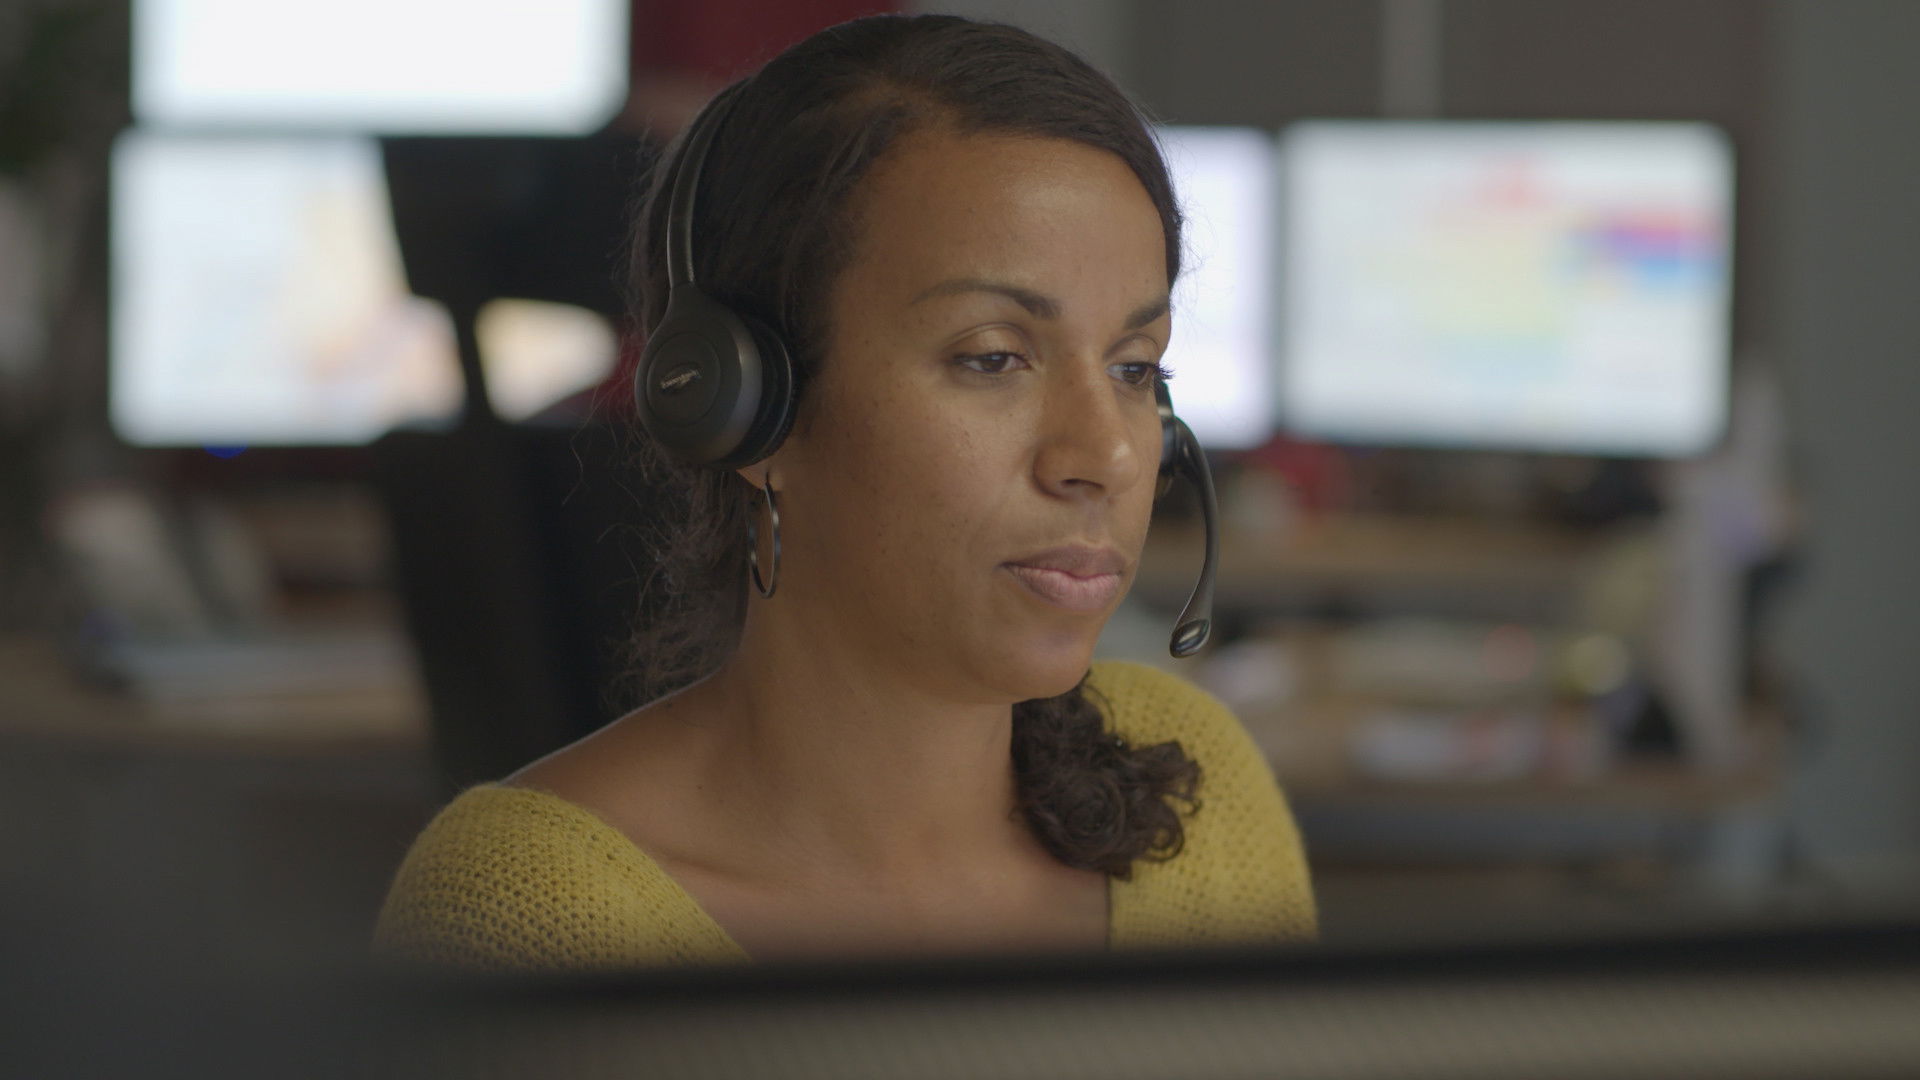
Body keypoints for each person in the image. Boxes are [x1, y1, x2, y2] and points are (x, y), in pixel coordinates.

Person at [373, 12, 1315, 970]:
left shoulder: (1197, 789)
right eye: (993, 358)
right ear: (750, 407)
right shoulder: (530, 917)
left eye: (1134, 368)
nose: (1106, 455)